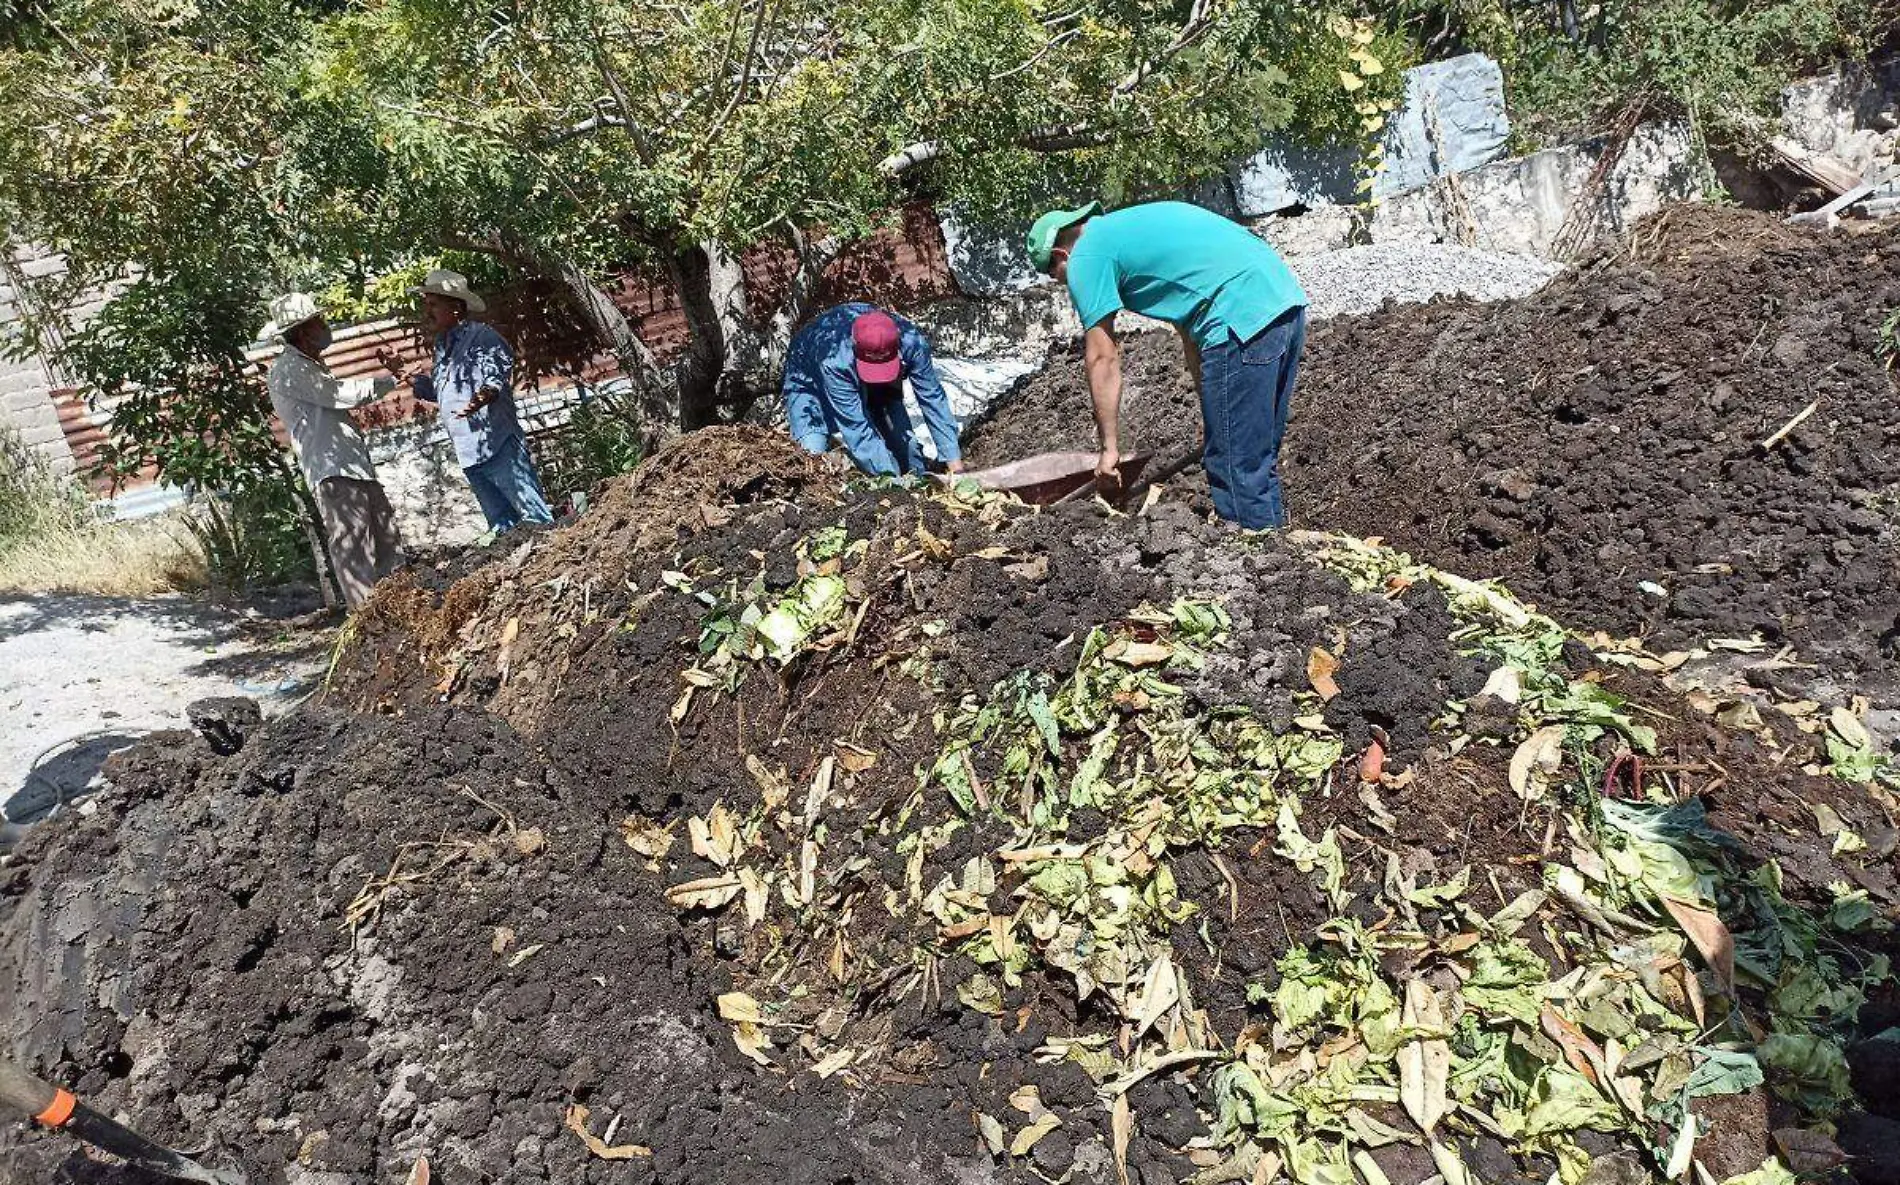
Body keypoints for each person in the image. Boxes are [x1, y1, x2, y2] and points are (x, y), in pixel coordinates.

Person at [1026, 200, 1309, 529]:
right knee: (1253, 459)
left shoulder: (1086, 255)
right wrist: (1217, 413)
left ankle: (1258, 566)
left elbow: (1102, 357)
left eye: (1055, 276)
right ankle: (1277, 554)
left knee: (1235, 467)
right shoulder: (1129, 230)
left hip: (1238, 318)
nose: (1064, 284)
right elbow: (1189, 332)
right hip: (1283, 303)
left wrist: (1109, 450)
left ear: (1061, 256)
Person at [378, 269, 553, 533]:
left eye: (433, 305)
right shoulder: (442, 345)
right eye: (427, 305)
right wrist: (400, 372)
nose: (427, 312)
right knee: (503, 529)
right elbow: (441, 392)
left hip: (497, 444)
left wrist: (478, 401)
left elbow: (495, 379)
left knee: (535, 519)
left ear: (456, 308)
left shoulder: (482, 337)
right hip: (469, 453)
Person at [261, 292, 405, 609]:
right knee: (354, 550)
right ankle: (369, 623)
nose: (325, 327)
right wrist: (388, 380)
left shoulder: (308, 366)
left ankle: (400, 610)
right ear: (302, 331)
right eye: (319, 322)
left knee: (385, 541)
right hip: (334, 471)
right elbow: (338, 395)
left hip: (351, 466)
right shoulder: (289, 370)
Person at [782, 302, 965, 477]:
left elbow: (932, 399)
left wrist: (955, 466)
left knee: (904, 445)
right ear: (855, 347)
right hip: (807, 375)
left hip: (869, 360)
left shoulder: (913, 343)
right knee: (812, 456)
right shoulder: (834, 361)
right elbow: (856, 427)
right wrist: (893, 482)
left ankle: (918, 475)